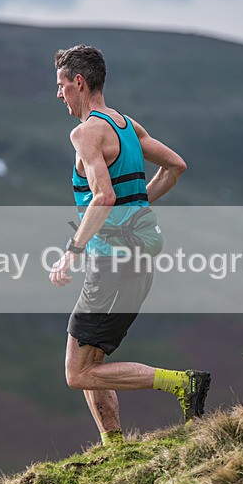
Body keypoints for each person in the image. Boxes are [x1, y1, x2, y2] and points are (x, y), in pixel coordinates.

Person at [49, 45, 211, 446]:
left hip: (111, 264)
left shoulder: (86, 132)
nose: (59, 94)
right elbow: (176, 165)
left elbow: (102, 196)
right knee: (93, 362)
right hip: (140, 260)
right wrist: (136, 206)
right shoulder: (126, 126)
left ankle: (181, 383)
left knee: (77, 373)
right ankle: (115, 447)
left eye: (61, 85)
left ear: (79, 82)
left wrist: (71, 251)